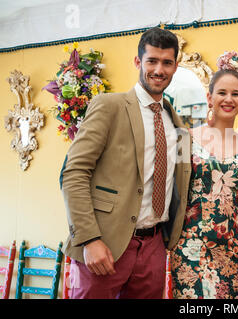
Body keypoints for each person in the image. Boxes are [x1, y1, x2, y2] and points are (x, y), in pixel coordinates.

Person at [60, 27, 192, 299]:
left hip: (154, 246)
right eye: (151, 61)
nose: (159, 69)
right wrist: (89, 239)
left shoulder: (177, 124)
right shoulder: (109, 106)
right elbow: (74, 172)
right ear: (137, 62)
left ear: (175, 67)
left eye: (167, 63)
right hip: (104, 243)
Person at [170, 52, 238, 299]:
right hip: (190, 248)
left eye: (235, 94)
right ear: (209, 97)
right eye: (222, 93)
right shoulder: (185, 139)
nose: (228, 99)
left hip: (234, 251)